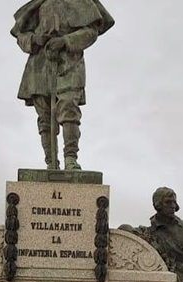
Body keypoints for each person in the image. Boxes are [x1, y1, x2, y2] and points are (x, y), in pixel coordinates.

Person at [11, 0, 115, 170]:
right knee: (45, 117)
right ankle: (51, 162)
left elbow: (91, 31)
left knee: (68, 107)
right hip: (40, 65)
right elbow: (21, 36)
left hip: (69, 61)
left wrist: (66, 41)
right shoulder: (38, 4)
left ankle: (70, 159)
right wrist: (34, 39)